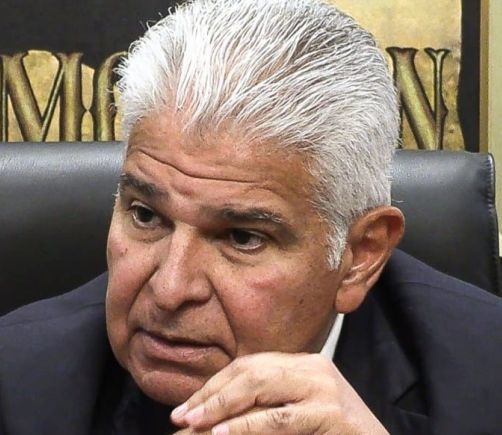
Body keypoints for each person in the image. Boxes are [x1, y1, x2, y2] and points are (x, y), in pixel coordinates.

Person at [1, 0, 502, 434]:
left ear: (359, 256)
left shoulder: (487, 379)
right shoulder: (17, 381)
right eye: (147, 216)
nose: (170, 290)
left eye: (242, 238)